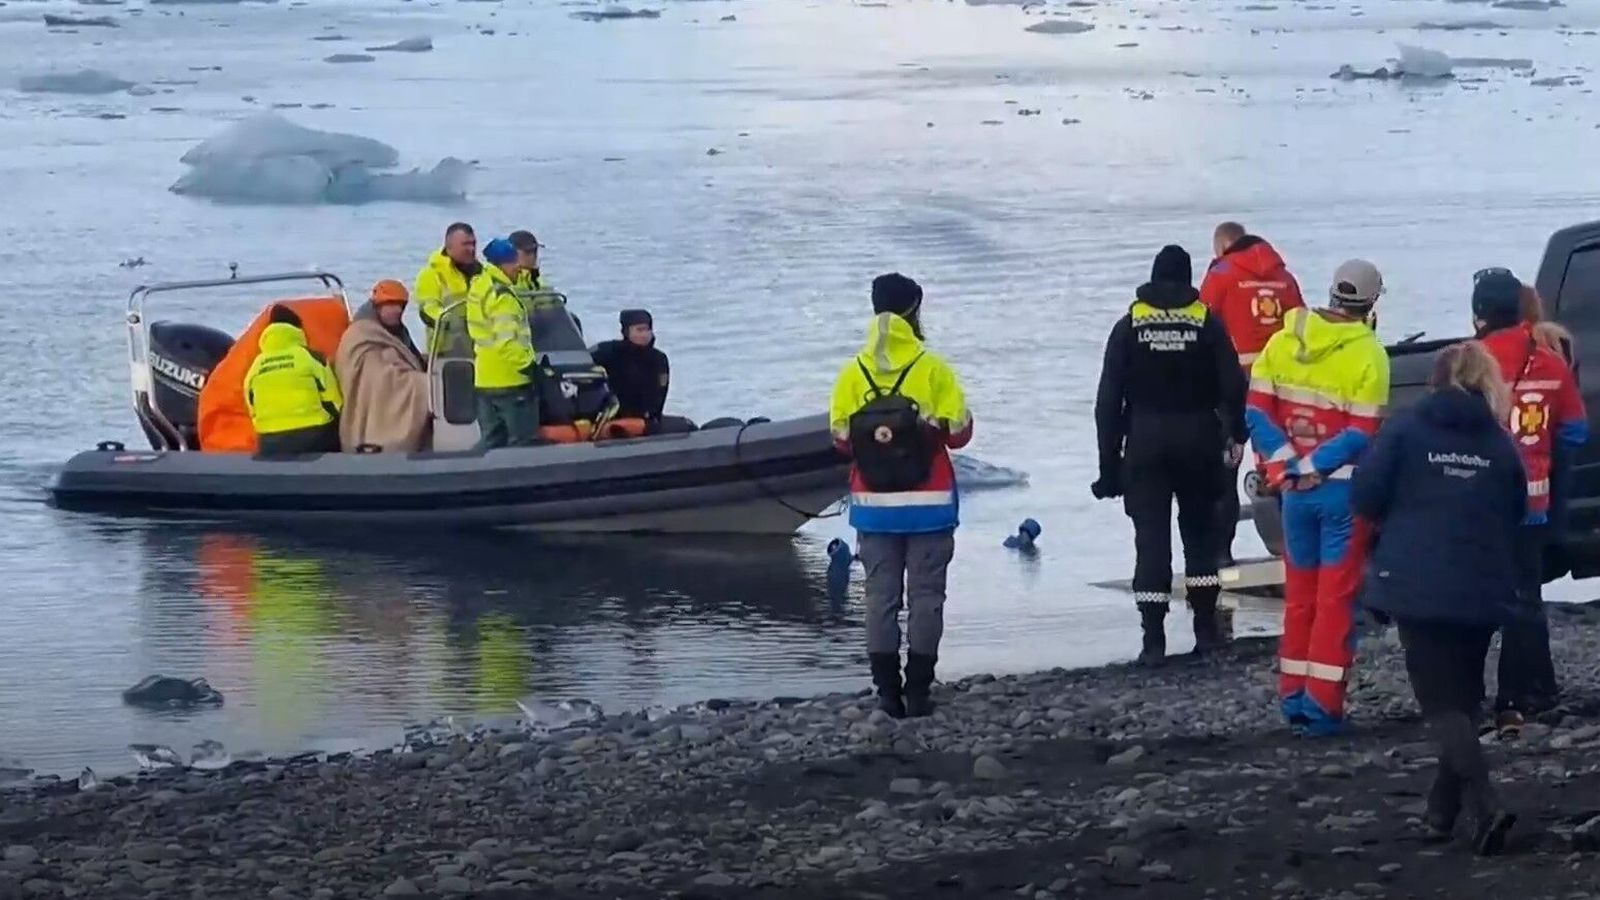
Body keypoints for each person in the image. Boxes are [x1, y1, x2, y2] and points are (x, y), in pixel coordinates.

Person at [1352, 342, 1523, 855]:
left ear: (1435, 379)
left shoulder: (1406, 428)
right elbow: (1515, 506)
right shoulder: (1497, 441)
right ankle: (1440, 813)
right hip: (1482, 581)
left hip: (1418, 580)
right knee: (1463, 700)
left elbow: (1365, 494)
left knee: (1442, 703)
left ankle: (1486, 805)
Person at [1245, 259, 1390, 736]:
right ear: (1371, 303)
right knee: (1334, 602)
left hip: (1294, 495)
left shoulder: (1284, 340)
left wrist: (1288, 464)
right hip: (1341, 494)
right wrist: (1312, 468)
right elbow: (1362, 432)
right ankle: (1323, 708)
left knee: (1299, 599)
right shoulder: (1368, 355)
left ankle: (1293, 698)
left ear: (1331, 293)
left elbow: (1258, 414)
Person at [1092, 245, 1246, 665]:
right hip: (1198, 437)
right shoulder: (1206, 324)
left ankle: (1153, 639)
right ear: (1188, 278)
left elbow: (1108, 402)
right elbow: (1234, 386)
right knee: (1199, 536)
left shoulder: (1129, 327)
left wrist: (1109, 468)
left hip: (1145, 441)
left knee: (1151, 540)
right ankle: (1204, 630)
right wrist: (1236, 431)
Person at [829, 273, 972, 719]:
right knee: (927, 597)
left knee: (880, 598)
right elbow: (960, 434)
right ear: (915, 311)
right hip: (929, 507)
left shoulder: (853, 372)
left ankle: (887, 693)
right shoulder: (933, 368)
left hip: (874, 510)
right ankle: (919, 691)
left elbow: (839, 440)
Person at [1473, 268, 1588, 731]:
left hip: (1481, 506)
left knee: (1479, 601)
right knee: (1527, 598)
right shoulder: (1550, 361)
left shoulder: (1470, 361)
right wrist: (1542, 457)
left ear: (1479, 313)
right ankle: (1535, 690)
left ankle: (1484, 697)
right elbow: (1576, 431)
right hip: (1534, 505)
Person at [1200, 222, 1305, 567]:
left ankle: (1221, 554)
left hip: (1233, 387)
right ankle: (1292, 545)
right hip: (1280, 386)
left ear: (1224, 247)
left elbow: (1202, 326)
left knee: (1226, 466)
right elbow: (1303, 331)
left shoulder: (1222, 274)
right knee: (1278, 462)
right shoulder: (1284, 277)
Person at [332, 280, 432, 453]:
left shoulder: (396, 332)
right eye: (391, 304)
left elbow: (409, 357)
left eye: (401, 305)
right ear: (377, 306)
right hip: (372, 418)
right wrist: (425, 384)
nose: (398, 310)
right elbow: (378, 380)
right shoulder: (361, 336)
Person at [245, 304, 343, 456]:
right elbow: (334, 401)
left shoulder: (256, 366)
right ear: (297, 330)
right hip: (313, 436)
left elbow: (252, 407)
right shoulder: (311, 357)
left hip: (269, 439)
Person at [468, 238, 537, 449]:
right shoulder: (503, 297)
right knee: (521, 441)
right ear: (501, 265)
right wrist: (529, 366)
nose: (518, 266)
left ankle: (471, 475)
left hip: (484, 378)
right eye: (513, 262)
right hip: (510, 380)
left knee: (491, 440)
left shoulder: (479, 286)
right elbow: (506, 341)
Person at [590, 309, 670, 424]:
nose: (644, 334)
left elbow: (661, 393)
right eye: (639, 330)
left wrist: (653, 419)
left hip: (647, 420)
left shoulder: (659, 358)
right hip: (612, 419)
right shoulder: (608, 352)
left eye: (647, 329)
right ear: (626, 331)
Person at [413, 222, 483, 352]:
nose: (471, 249)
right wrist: (455, 322)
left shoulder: (482, 273)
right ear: (449, 247)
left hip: (479, 350)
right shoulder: (431, 275)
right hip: (445, 353)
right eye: (465, 244)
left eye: (473, 244)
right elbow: (428, 311)